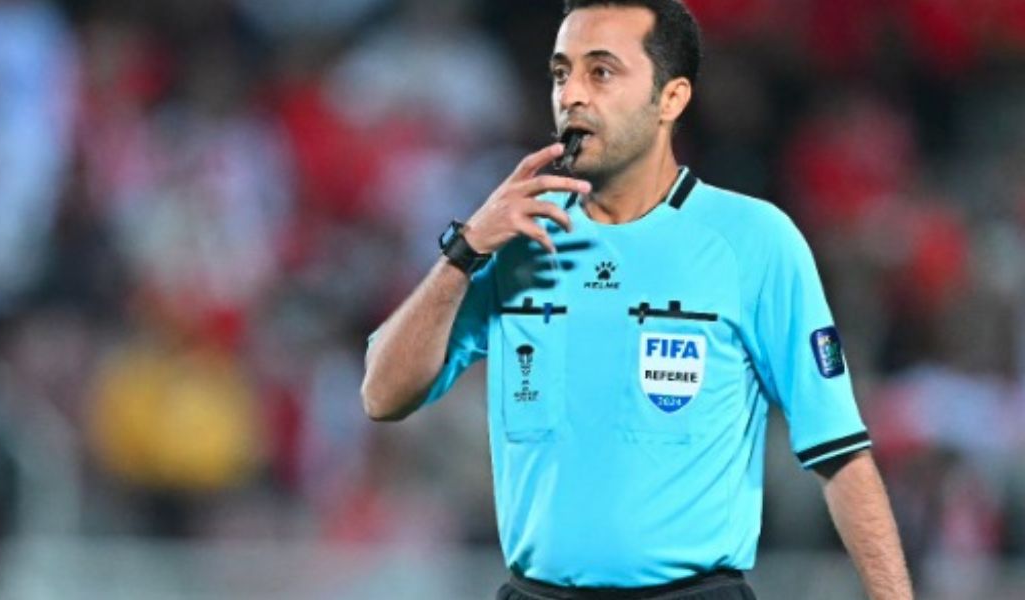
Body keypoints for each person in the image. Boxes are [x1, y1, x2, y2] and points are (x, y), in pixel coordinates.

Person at [360, 1, 914, 599]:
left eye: (600, 72)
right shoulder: (516, 238)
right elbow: (381, 395)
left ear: (670, 99)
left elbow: (840, 454)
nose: (571, 94)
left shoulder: (753, 241)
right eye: (560, 72)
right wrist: (463, 253)